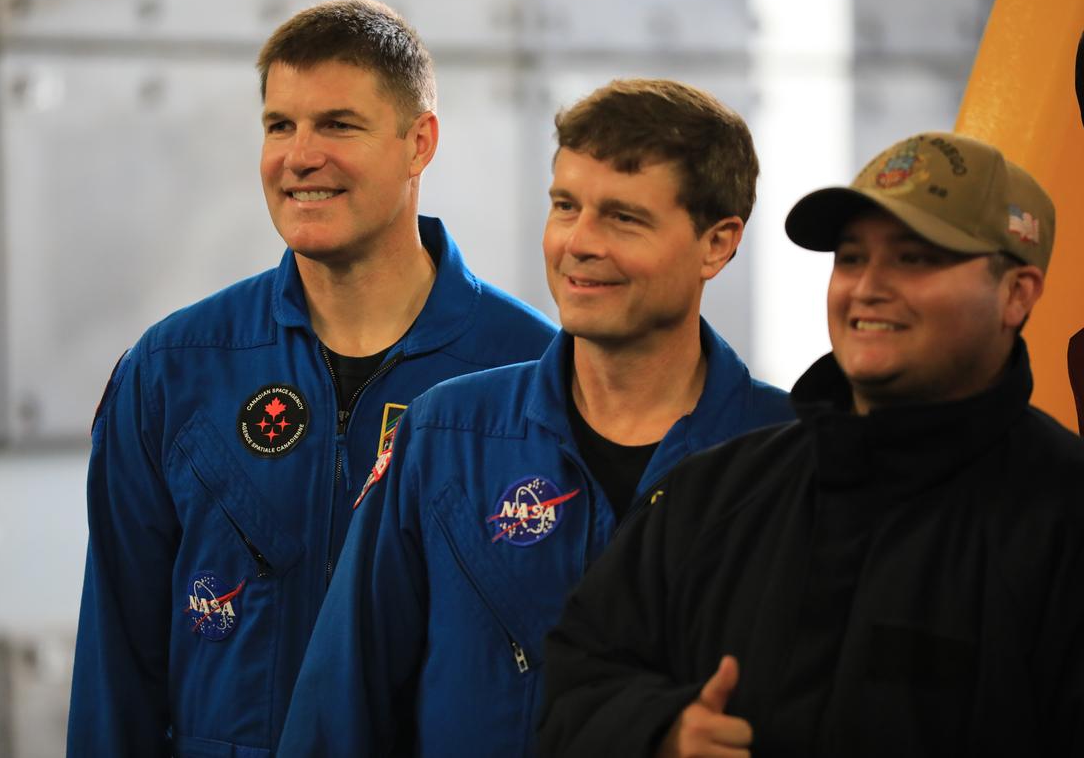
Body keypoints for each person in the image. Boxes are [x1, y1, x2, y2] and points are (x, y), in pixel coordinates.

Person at [65, 0, 556, 757]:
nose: (298, 156)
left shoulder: (530, 374)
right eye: (279, 125)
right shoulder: (173, 371)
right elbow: (115, 675)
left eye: (338, 125)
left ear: (419, 142)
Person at [278, 79, 793, 756]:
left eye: (624, 218)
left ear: (717, 244)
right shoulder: (444, 436)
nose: (579, 242)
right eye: (565, 206)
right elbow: (337, 714)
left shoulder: (794, 456)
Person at [538, 131, 1084, 757]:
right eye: (851, 259)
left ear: (1017, 294)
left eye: (914, 259)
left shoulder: (1064, 518)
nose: (868, 287)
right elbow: (577, 686)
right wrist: (659, 734)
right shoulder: (715, 494)